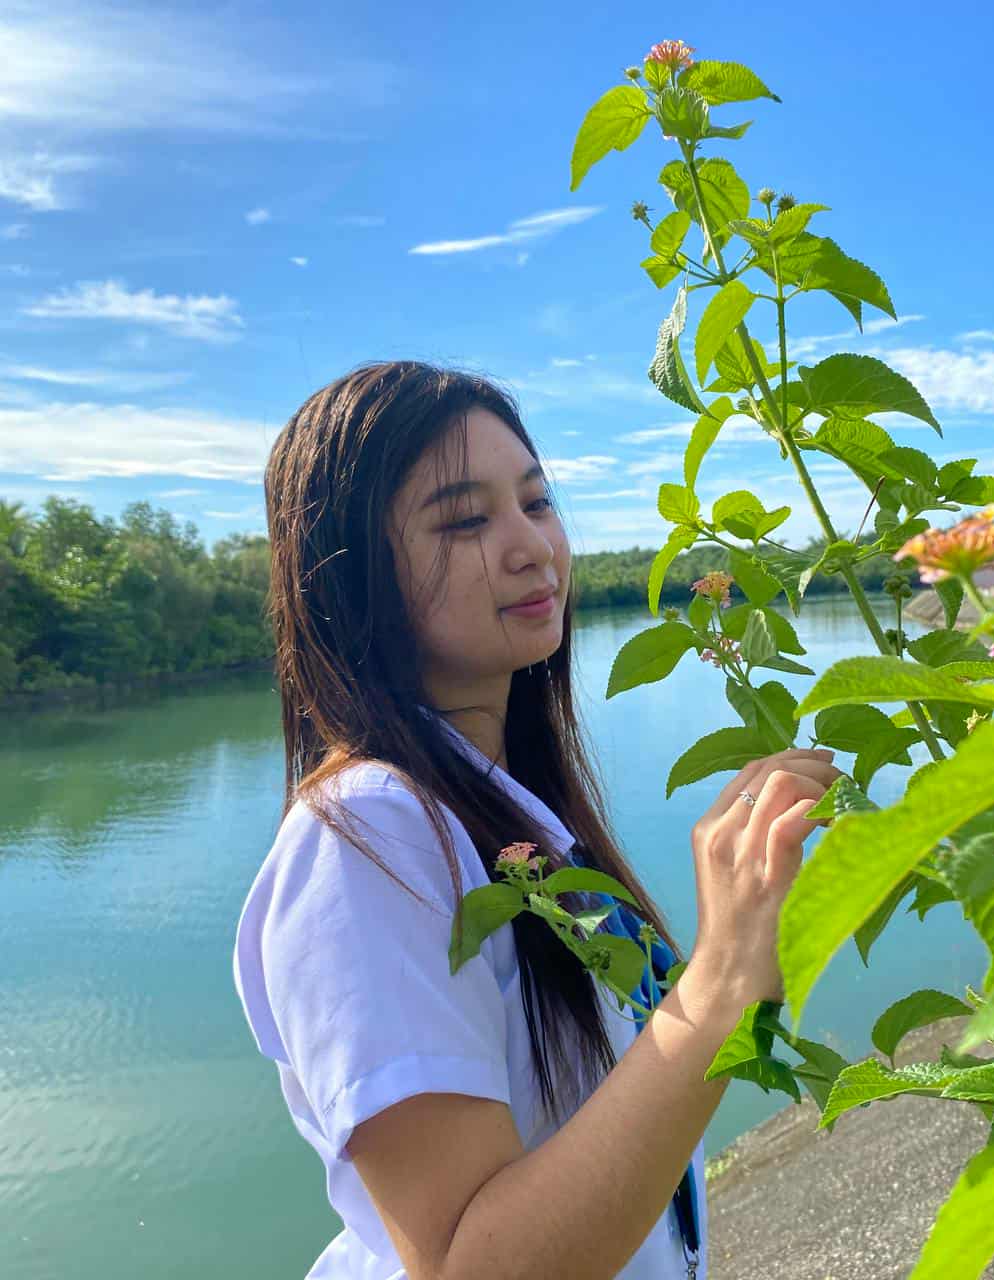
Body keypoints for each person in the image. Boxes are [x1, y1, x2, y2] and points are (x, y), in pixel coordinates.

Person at [231, 361, 840, 1280]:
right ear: (353, 577)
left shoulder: (508, 815)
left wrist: (760, 937)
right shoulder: (366, 835)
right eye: (465, 519)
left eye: (537, 503)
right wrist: (719, 981)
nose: (533, 548)